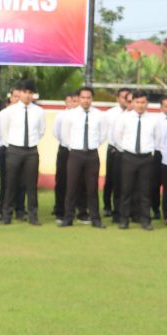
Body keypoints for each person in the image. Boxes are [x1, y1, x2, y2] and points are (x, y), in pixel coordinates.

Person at [58, 86, 106, 228]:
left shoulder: (99, 115)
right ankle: (68, 218)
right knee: (71, 187)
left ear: (92, 99)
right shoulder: (71, 115)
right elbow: (65, 134)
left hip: (92, 154)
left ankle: (95, 218)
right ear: (78, 99)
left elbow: (103, 134)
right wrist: (73, 146)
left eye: (88, 98)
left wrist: (93, 145)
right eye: (83, 97)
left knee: (92, 188)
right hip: (75, 154)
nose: (86, 100)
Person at [112, 91, 160, 230]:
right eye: (137, 102)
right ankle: (124, 220)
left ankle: (145, 220)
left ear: (147, 103)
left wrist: (149, 150)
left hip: (146, 158)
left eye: (143, 102)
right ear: (132, 103)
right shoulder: (124, 118)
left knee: (145, 191)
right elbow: (117, 136)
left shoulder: (153, 120)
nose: (140, 105)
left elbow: (158, 139)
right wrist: (126, 149)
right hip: (129, 157)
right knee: (126, 190)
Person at [0, 80, 45, 225]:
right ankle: (7, 215)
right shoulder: (10, 111)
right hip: (14, 150)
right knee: (10, 183)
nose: (27, 95)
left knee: (31, 185)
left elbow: (41, 131)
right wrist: (11, 144)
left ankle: (33, 216)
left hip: (31, 151)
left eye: (30, 93)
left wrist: (31, 142)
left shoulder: (39, 112)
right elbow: (4, 130)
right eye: (25, 92)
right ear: (20, 93)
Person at [53, 91, 88, 222]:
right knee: (62, 181)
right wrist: (67, 145)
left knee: (81, 181)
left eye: (76, 101)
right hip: (65, 150)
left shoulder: (84, 115)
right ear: (67, 102)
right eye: (71, 101)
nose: (74, 104)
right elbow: (57, 133)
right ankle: (60, 211)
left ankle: (82, 211)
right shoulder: (61, 116)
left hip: (80, 151)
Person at [0, 88, 26, 219]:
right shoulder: (3, 113)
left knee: (22, 182)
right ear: (11, 98)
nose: (17, 99)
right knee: (6, 181)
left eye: (20, 96)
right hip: (7, 150)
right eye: (15, 96)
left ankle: (20, 209)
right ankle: (4, 208)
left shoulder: (26, 113)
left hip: (23, 150)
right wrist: (2, 146)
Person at [103, 88, 132, 218]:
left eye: (128, 97)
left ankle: (124, 209)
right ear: (118, 98)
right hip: (113, 149)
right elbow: (105, 132)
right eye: (123, 97)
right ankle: (108, 206)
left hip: (128, 151)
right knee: (111, 179)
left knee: (125, 181)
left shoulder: (133, 114)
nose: (125, 100)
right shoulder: (110, 113)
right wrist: (114, 145)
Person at [150, 95, 167, 220]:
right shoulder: (155, 120)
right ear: (161, 107)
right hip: (158, 154)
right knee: (155, 184)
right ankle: (155, 209)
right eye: (166, 106)